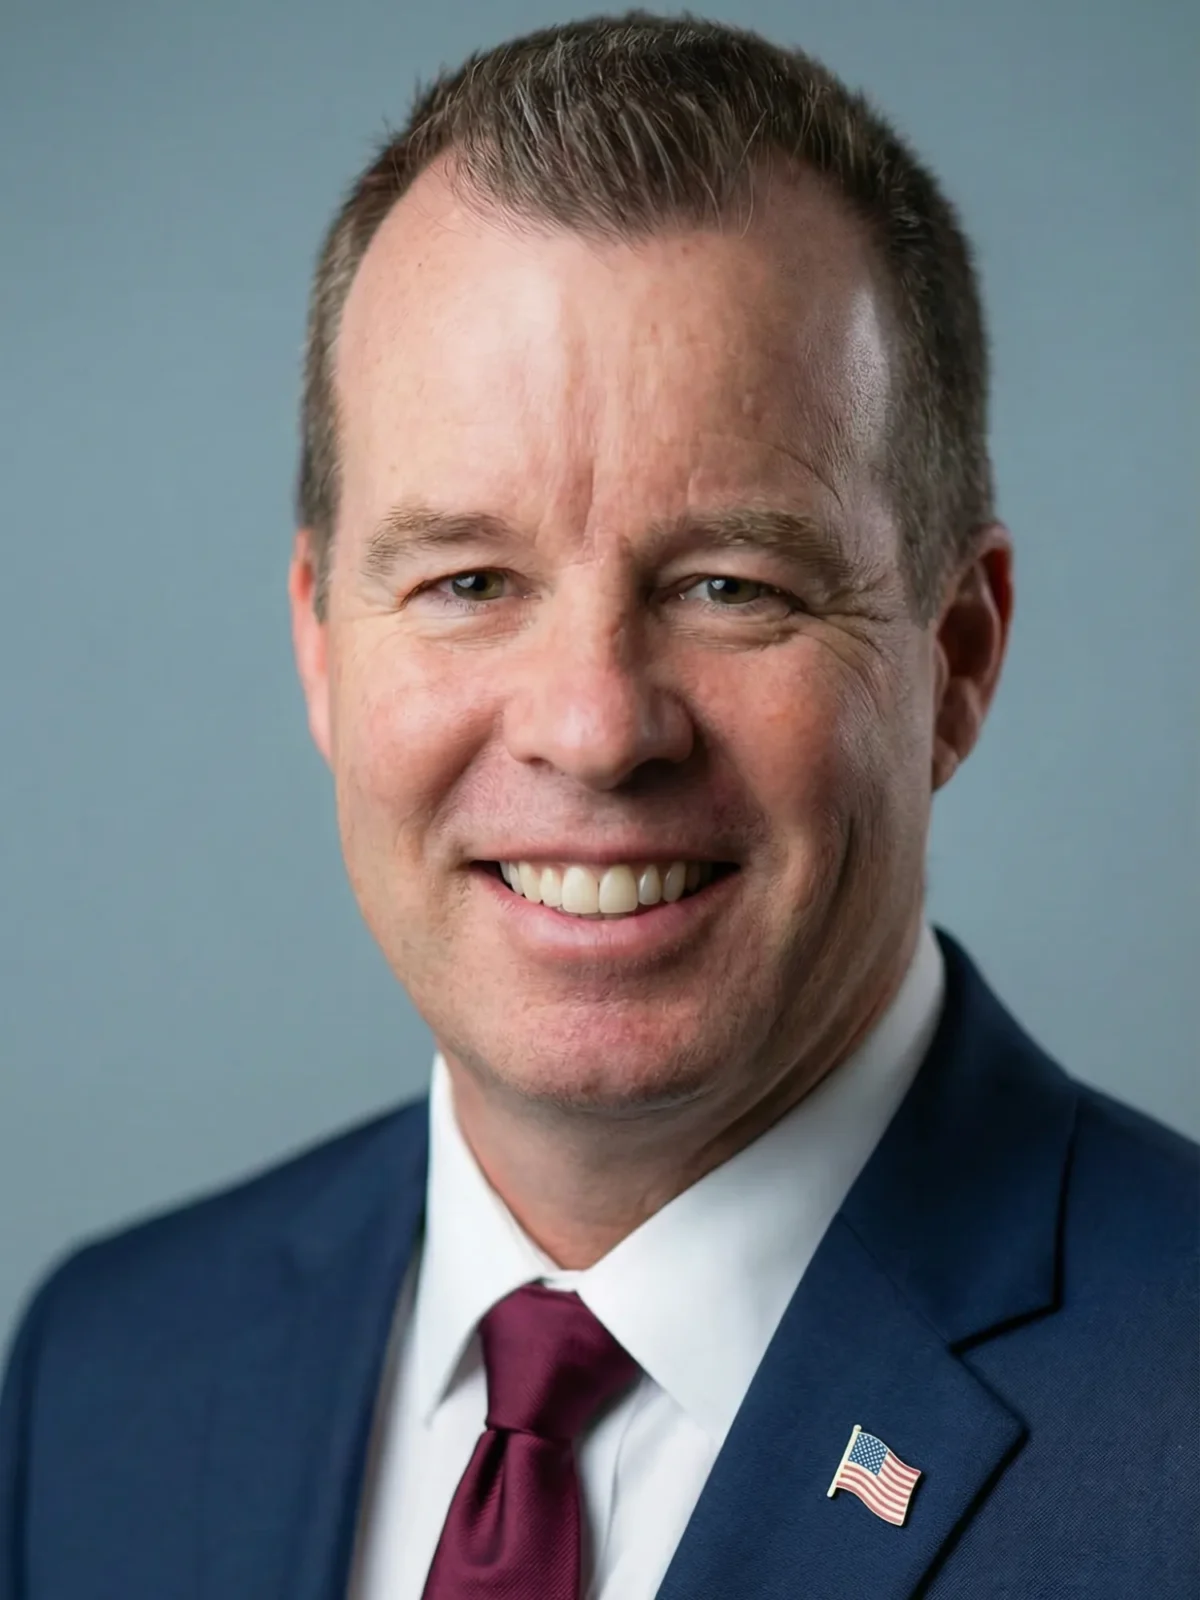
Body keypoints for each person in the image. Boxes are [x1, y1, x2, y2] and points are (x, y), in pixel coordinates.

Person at [2, 10, 1196, 1598]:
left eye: (729, 584)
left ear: (957, 657)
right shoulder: (109, 1376)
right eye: (468, 579)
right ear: (320, 644)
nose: (592, 726)